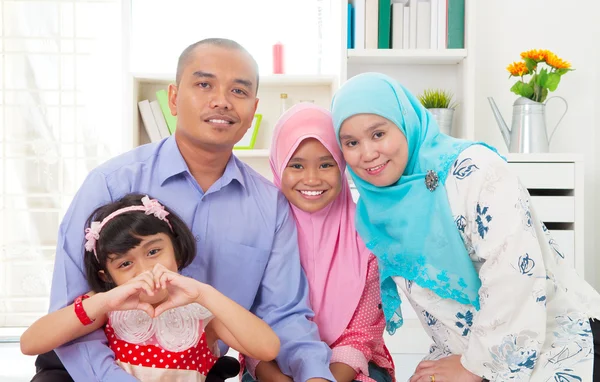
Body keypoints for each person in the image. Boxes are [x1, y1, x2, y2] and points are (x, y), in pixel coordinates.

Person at [32, 38, 334, 382]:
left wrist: (315, 376)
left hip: (193, 370)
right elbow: (70, 310)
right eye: (204, 84)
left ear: (253, 110)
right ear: (173, 99)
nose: (221, 101)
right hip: (91, 368)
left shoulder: (271, 206)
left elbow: (284, 315)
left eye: (238, 91)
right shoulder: (110, 183)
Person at [330, 72, 600, 382]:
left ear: (405, 122)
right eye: (351, 142)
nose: (367, 154)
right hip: (464, 354)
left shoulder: (475, 171)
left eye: (378, 134)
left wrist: (473, 366)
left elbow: (515, 277)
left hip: (556, 345)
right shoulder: (375, 209)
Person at [22, 194, 280, 381]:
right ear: (107, 276)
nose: (144, 270)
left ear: (177, 252)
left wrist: (205, 294)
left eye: (154, 251)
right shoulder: (106, 307)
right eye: (125, 264)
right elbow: (30, 343)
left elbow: (268, 348)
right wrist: (103, 301)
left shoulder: (203, 314)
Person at [242, 104, 395, 382]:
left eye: (326, 164)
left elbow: (361, 333)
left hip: (349, 366)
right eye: (297, 165)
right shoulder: (259, 231)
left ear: (342, 166)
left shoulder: (368, 234)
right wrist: (275, 377)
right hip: (271, 365)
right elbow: (246, 323)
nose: (311, 179)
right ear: (277, 164)